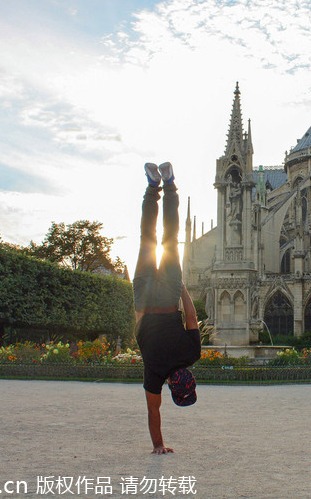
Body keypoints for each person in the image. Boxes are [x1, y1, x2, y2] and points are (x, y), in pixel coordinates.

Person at [133, 162, 201, 455]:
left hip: (169, 295)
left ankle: (169, 183)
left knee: (170, 237)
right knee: (148, 238)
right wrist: (158, 444)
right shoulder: (154, 372)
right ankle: (152, 187)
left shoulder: (192, 354)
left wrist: (181, 288)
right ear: (172, 387)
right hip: (146, 300)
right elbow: (153, 412)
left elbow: (192, 316)